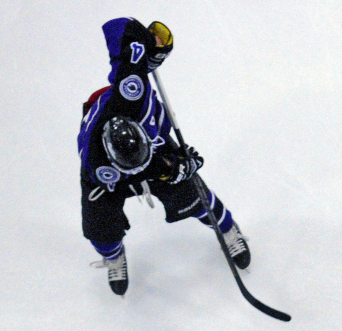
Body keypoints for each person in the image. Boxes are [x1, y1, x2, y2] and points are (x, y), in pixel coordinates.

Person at [79, 18, 250, 296]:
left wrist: (140, 42)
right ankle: (113, 256)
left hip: (153, 149)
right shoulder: (99, 167)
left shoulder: (130, 95)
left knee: (196, 197)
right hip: (113, 181)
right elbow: (145, 169)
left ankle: (228, 229)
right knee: (100, 228)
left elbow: (120, 33)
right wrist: (174, 168)